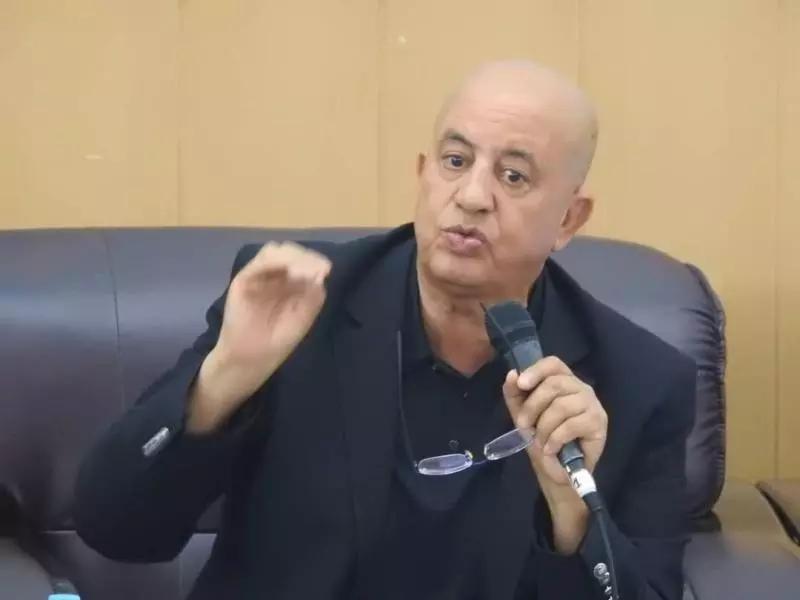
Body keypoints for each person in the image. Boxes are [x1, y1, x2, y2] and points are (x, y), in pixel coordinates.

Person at [74, 60, 695, 599]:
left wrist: (573, 519)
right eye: (455, 161)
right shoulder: (297, 305)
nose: (471, 196)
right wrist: (222, 383)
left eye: (514, 176)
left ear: (569, 219)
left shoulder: (637, 383)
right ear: (423, 174)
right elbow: (115, 528)